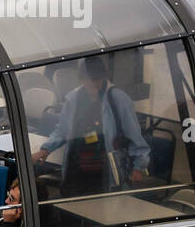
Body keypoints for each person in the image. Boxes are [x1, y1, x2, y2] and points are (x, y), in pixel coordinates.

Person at [31, 55, 150, 196]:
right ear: (81, 79)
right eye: (89, 80)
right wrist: (45, 150)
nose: (94, 85)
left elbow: (134, 136)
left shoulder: (118, 99)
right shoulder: (73, 99)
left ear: (104, 77)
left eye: (97, 80)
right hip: (76, 168)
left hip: (106, 170)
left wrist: (138, 167)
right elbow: (63, 130)